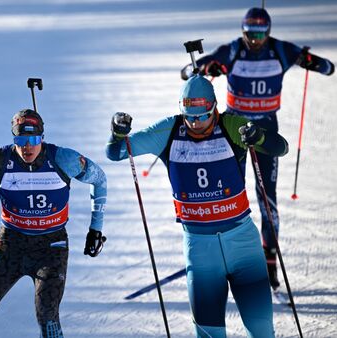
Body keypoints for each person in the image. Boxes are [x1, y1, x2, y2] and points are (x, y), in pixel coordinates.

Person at [106, 74, 289, 337]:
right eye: (189, 116)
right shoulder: (168, 131)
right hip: (201, 254)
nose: (195, 122)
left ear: (214, 107)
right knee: (208, 334)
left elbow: (280, 147)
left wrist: (258, 136)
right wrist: (117, 133)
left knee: (261, 331)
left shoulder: (231, 125)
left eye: (202, 116)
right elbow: (117, 152)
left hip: (244, 247)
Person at [180, 7, 335, 289]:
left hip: (265, 130)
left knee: (267, 196)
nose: (255, 40)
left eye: (261, 33)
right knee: (231, 192)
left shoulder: (280, 50)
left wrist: (312, 61)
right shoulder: (233, 51)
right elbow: (187, 72)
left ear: (269, 31)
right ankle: (232, 254)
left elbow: (329, 68)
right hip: (234, 130)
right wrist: (206, 67)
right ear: (243, 31)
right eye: (250, 33)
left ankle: (270, 257)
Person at [0, 109, 107, 338]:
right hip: (9, 246)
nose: (27, 147)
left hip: (51, 248)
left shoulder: (63, 159)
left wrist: (95, 229)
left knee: (48, 317)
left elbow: (99, 179)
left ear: (41, 137)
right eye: (21, 140)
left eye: (33, 140)